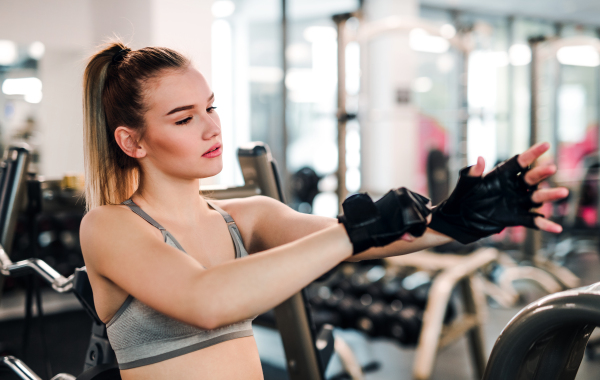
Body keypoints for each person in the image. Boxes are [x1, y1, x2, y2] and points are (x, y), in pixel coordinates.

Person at [79, 41, 568, 380]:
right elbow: (206, 300)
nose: (211, 128)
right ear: (132, 141)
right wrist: (352, 232)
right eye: (184, 118)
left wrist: (456, 219)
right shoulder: (110, 227)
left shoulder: (244, 217)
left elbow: (361, 242)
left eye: (211, 107)